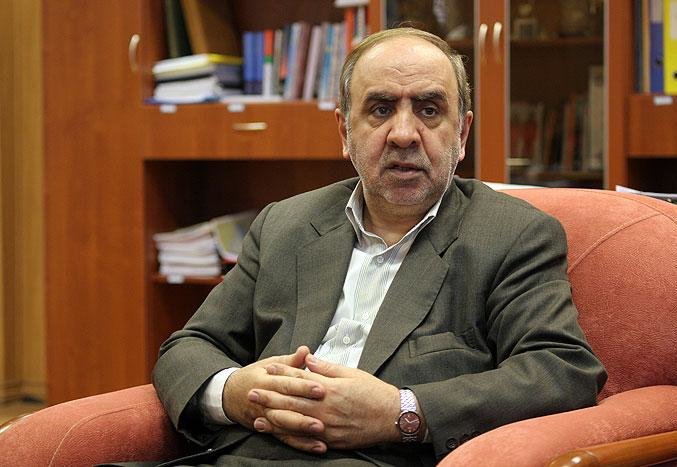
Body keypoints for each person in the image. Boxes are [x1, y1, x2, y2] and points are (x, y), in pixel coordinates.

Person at [152, 27, 607, 466]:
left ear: (462, 134)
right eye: (381, 109)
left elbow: (562, 370)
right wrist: (236, 393)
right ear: (344, 131)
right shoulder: (285, 225)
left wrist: (401, 411)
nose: (404, 133)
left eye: (429, 110)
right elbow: (189, 346)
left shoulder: (512, 235)